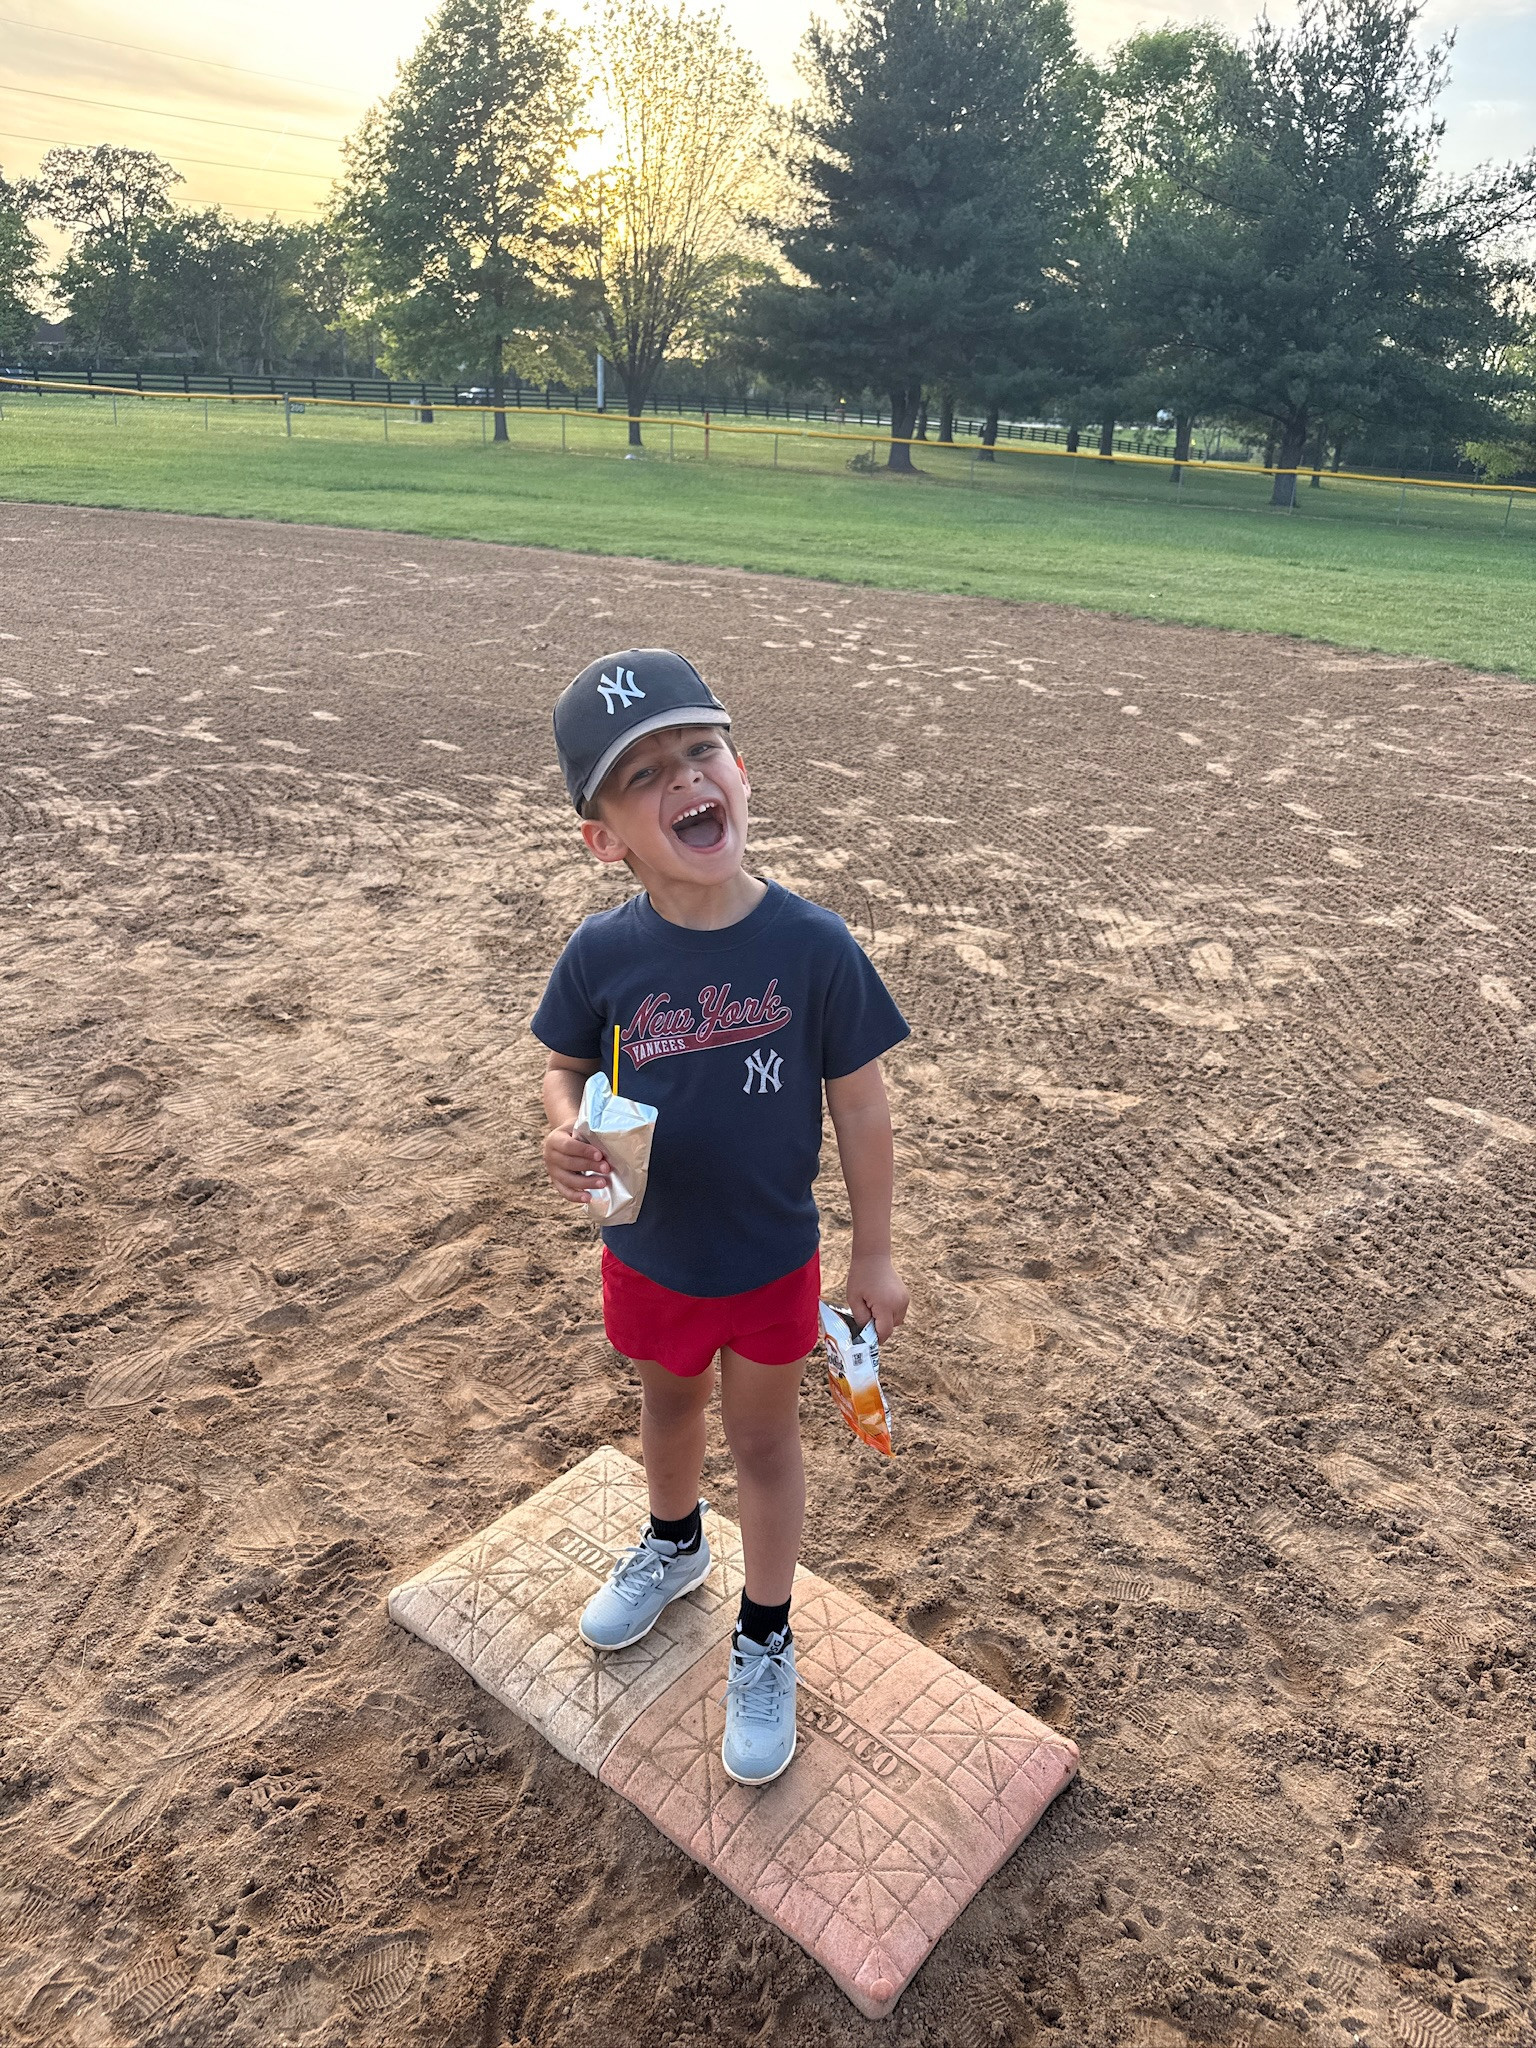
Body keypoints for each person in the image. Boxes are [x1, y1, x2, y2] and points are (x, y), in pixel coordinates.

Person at [531, 648, 910, 1786]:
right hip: (650, 1251)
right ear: (607, 837)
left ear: (741, 773)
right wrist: (565, 1126)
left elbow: (860, 1098)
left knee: (762, 1439)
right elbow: (560, 1061)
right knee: (667, 1414)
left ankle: (764, 1628)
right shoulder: (605, 953)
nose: (683, 776)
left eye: (699, 751)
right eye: (643, 775)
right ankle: (675, 1545)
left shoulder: (812, 945)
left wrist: (876, 1248)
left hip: (769, 1258)